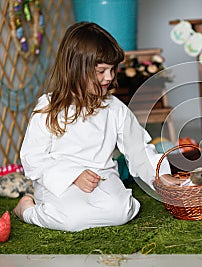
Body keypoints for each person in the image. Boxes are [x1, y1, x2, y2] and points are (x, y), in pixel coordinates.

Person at [13, 22, 171, 231]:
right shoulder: (48, 107)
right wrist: (72, 175)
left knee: (121, 212)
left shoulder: (114, 108)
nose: (110, 77)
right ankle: (26, 209)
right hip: (60, 181)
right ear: (76, 69)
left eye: (112, 69)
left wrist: (160, 176)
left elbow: (138, 149)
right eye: (101, 71)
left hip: (102, 176)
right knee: (72, 219)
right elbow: (33, 157)